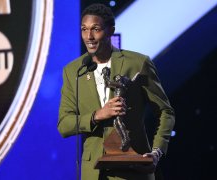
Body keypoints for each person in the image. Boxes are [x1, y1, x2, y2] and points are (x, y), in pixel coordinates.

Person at [58, 3, 175, 180]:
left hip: (135, 168)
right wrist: (97, 115)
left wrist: (157, 152)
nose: (88, 36)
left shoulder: (137, 63)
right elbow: (64, 125)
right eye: (84, 29)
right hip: (94, 173)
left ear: (110, 30)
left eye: (95, 29)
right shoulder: (74, 71)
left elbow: (166, 112)